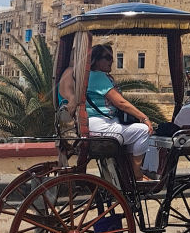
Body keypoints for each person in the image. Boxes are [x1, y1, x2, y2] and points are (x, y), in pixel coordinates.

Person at [58, 44, 154, 179]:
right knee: (143, 131)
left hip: (97, 124)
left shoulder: (90, 76)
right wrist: (144, 118)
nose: (111, 61)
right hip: (101, 125)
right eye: (107, 58)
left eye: (112, 58)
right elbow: (121, 103)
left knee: (132, 132)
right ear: (96, 60)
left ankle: (125, 174)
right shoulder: (98, 76)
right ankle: (137, 174)